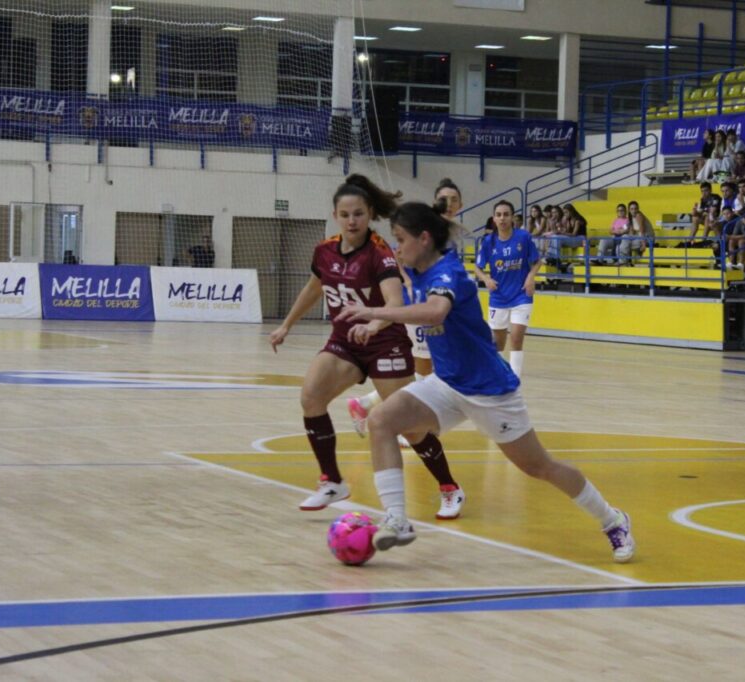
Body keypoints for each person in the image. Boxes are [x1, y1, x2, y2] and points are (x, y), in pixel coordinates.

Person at [336, 200, 635, 561]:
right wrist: (376, 324)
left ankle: (613, 519)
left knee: (539, 467)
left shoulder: (449, 274)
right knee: (382, 420)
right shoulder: (416, 271)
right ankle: (397, 520)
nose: (397, 247)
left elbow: (434, 311)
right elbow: (414, 306)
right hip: (447, 383)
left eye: (401, 239)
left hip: (490, 391)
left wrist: (372, 310)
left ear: (424, 239)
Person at [268, 174, 464, 518]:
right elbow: (314, 288)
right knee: (311, 396)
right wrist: (287, 324)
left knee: (410, 426)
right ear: (335, 216)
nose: (352, 220)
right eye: (345, 215)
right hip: (345, 342)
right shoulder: (325, 251)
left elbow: (394, 300)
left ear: (369, 214)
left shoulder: (380, 253)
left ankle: (449, 487)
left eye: (358, 214)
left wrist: (374, 323)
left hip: (385, 343)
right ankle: (331, 481)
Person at [347, 178, 465, 463]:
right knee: (425, 371)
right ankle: (407, 428)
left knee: (434, 372)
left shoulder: (449, 235)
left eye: (453, 199)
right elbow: (396, 254)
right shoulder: (422, 229)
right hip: (420, 308)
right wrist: (409, 282)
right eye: (444, 198)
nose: (448, 203)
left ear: (460, 204)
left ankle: (366, 404)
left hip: (443, 311)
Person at [474, 200, 541, 377]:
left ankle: (514, 380)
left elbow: (537, 261)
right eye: (499, 215)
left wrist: (530, 277)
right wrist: (486, 279)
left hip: (521, 295)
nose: (502, 218)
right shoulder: (489, 242)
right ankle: (496, 374)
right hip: (499, 297)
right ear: (494, 219)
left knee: (516, 338)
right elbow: (477, 268)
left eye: (506, 214)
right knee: (498, 344)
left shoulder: (523, 237)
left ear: (512, 217)